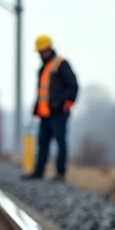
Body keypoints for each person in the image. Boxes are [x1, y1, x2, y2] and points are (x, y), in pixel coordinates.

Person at [26, 35, 78, 181]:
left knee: (60, 142)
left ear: (49, 49)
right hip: (45, 114)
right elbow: (42, 92)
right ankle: (39, 172)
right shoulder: (43, 68)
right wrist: (36, 109)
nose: (41, 54)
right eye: (40, 52)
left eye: (43, 51)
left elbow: (73, 86)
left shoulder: (60, 64)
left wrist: (64, 104)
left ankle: (60, 173)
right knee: (42, 143)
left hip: (59, 113)